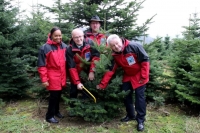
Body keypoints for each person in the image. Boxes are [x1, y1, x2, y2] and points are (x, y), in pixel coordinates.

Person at [96, 34, 149, 131]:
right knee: (125, 94)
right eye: (113, 46)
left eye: (117, 43)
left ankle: (140, 120)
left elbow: (145, 61)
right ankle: (130, 114)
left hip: (139, 75)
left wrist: (143, 77)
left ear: (120, 40)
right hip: (128, 75)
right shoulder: (114, 55)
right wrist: (102, 84)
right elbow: (110, 70)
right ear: (110, 47)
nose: (116, 47)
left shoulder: (134, 46)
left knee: (139, 97)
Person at [37, 27, 67, 123]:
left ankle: (56, 111)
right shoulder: (45, 48)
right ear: (51, 35)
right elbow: (41, 65)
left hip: (62, 75)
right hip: (52, 77)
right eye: (56, 36)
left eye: (59, 35)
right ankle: (49, 116)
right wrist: (44, 79)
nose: (58, 37)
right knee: (54, 96)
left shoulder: (64, 46)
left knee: (58, 95)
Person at [66, 28, 100, 107]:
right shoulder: (69, 49)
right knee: (74, 90)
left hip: (88, 72)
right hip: (76, 74)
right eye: (76, 37)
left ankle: (85, 107)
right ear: (72, 38)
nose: (79, 39)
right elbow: (72, 67)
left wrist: (92, 71)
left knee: (87, 90)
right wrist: (77, 82)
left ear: (83, 35)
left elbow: (96, 57)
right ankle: (72, 108)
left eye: (80, 36)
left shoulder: (90, 43)